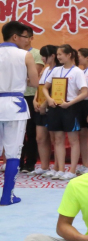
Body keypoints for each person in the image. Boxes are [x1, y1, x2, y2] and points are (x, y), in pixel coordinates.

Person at [0, 21, 40, 205]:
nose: (27, 41)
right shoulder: (25, 55)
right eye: (25, 37)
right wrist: (21, 79)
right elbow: (35, 82)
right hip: (15, 105)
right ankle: (7, 196)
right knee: (13, 152)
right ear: (15, 36)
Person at [42, 44, 87, 181]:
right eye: (57, 54)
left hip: (70, 108)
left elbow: (84, 92)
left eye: (60, 54)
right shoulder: (56, 70)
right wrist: (49, 99)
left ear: (69, 55)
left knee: (73, 140)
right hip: (55, 108)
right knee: (58, 139)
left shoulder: (77, 72)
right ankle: (61, 169)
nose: (58, 57)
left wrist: (70, 103)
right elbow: (45, 88)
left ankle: (72, 170)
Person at [8, 24, 44, 174]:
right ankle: (16, 161)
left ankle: (30, 162)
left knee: (30, 131)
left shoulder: (35, 53)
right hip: (14, 96)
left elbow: (33, 76)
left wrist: (16, 76)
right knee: (15, 133)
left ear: (30, 38)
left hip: (30, 96)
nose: (23, 40)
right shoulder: (12, 53)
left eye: (26, 37)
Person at [33, 45, 58, 177]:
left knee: (55, 139)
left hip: (52, 107)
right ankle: (44, 166)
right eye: (41, 56)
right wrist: (35, 100)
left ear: (53, 56)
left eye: (44, 56)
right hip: (40, 107)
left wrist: (44, 104)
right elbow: (40, 87)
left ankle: (57, 167)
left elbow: (56, 91)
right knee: (40, 138)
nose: (42, 58)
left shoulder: (59, 70)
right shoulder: (45, 69)